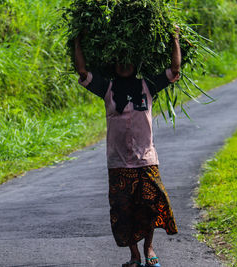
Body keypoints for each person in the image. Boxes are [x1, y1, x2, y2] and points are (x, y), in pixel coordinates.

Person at [74, 27, 181, 267]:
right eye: (119, 61)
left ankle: (149, 247)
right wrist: (78, 41)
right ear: (113, 66)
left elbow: (175, 70)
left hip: (146, 159)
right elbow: (82, 71)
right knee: (124, 210)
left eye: (128, 60)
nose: (124, 64)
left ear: (136, 63)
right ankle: (134, 255)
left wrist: (174, 37)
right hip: (119, 162)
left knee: (151, 203)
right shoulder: (107, 88)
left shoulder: (148, 85)